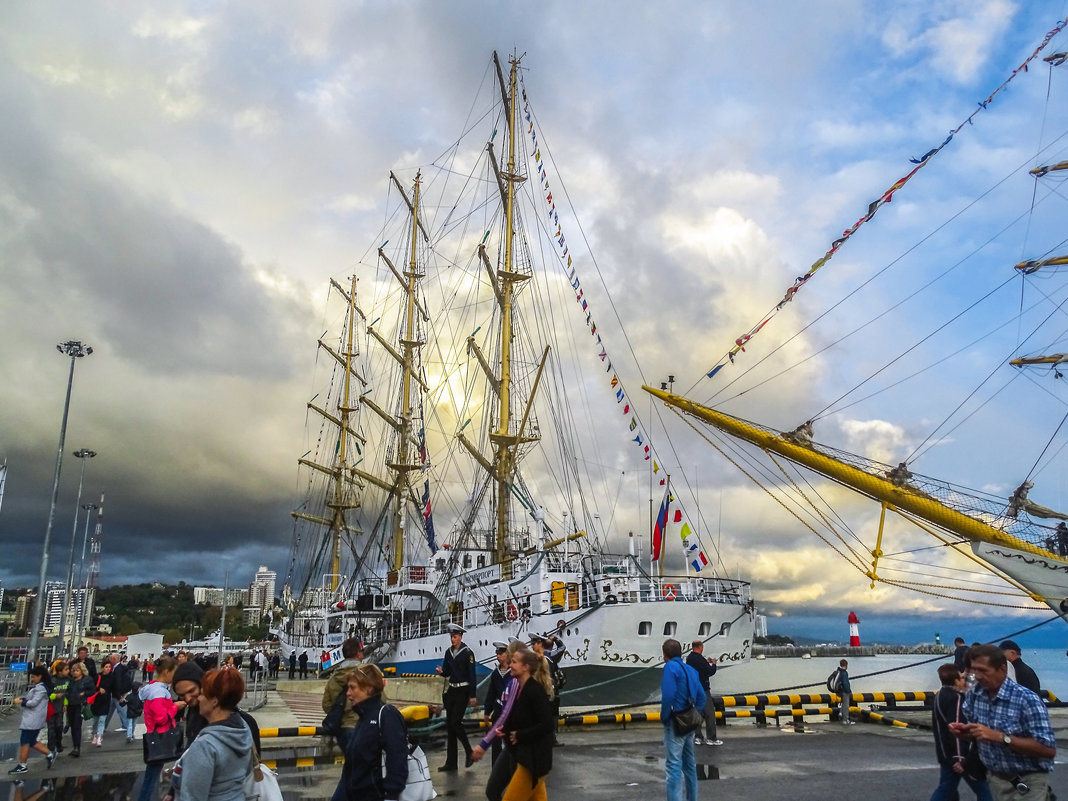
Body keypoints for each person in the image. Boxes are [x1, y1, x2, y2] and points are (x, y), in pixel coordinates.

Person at [952, 644, 1056, 800]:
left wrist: (1001, 737)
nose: (977, 676)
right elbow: (981, 734)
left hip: (1027, 782)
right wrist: (965, 733)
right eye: (974, 670)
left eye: (983, 670)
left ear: (1002, 669)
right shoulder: (975, 695)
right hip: (994, 780)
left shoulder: (1027, 700)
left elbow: (1048, 749)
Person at [171, 668, 254, 801]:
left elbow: (192, 797)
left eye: (202, 694)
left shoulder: (205, 746)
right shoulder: (243, 729)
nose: (199, 698)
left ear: (214, 701)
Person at [330, 664, 408, 801]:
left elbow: (397, 758)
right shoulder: (363, 718)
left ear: (368, 688)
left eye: (352, 688)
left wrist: (391, 796)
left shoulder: (386, 715)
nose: (348, 693)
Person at [930, 664, 992, 801]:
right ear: (956, 680)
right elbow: (957, 726)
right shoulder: (956, 698)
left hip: (944, 752)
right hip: (960, 755)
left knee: (948, 788)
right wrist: (959, 758)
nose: (964, 678)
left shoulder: (940, 695)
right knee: (983, 790)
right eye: (961, 676)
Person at [499, 647, 555, 801]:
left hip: (533, 763)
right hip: (531, 760)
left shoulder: (534, 692)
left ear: (525, 667)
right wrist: (505, 730)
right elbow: (523, 720)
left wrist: (520, 735)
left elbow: (547, 724)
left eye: (515, 662)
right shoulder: (525, 690)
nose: (510, 665)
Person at [661, 638, 704, 801]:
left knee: (673, 767)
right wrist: (695, 714)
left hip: (675, 722)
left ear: (665, 654)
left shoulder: (670, 667)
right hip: (690, 723)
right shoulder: (690, 670)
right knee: (689, 766)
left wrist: (665, 717)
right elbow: (701, 697)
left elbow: (668, 696)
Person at [138, 656, 185, 801]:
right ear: (166, 672)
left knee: (151, 775)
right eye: (173, 672)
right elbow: (160, 717)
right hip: (160, 736)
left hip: (154, 734)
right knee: (151, 776)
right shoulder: (159, 691)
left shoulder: (152, 688)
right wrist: (174, 707)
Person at [436, 623, 477, 771]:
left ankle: (469, 751)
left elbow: (472, 674)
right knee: (450, 727)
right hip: (452, 691)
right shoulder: (448, 652)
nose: (453, 639)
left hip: (463, 690)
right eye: (451, 637)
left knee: (455, 723)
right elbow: (447, 671)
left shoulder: (467, 653)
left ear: (460, 636)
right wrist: (442, 672)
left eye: (455, 636)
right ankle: (451, 763)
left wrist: (472, 695)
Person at [8, 666, 56, 775]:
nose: (32, 679)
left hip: (33, 719)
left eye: (34, 677)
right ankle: (49, 754)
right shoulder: (42, 687)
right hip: (35, 718)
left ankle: (22, 765)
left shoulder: (40, 688)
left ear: (40, 676)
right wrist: (24, 700)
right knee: (31, 740)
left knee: (25, 740)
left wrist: (22, 702)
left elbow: (33, 703)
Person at [321, 638, 365, 752]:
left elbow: (326, 704)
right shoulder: (367, 674)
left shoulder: (334, 677)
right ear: (358, 653)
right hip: (363, 728)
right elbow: (381, 700)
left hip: (342, 730)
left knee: (349, 763)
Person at [685, 640, 722, 746]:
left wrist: (706, 661)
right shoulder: (700, 659)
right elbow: (710, 671)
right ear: (700, 647)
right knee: (710, 714)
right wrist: (714, 664)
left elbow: (698, 666)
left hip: (693, 689)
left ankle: (698, 737)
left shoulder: (690, 658)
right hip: (703, 690)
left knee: (697, 713)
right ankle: (711, 738)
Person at [482, 641, 512, 764]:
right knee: (495, 741)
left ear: (507, 654)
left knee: (510, 740)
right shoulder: (495, 674)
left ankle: (512, 766)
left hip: (511, 711)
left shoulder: (513, 672)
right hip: (499, 709)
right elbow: (491, 694)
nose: (498, 656)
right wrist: (487, 712)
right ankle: (496, 767)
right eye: (497, 653)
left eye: (501, 653)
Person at [67, 661, 94, 757]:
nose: (75, 672)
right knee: (72, 727)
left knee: (76, 726)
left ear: (82, 671)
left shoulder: (87, 680)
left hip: (80, 705)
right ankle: (75, 746)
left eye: (77, 670)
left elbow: (92, 690)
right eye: (73, 671)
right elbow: (68, 691)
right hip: (71, 704)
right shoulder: (71, 681)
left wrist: (85, 693)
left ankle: (77, 748)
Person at [47, 660, 71, 755]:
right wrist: (54, 696)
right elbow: (46, 694)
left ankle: (58, 743)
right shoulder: (52, 680)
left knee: (59, 726)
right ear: (60, 671)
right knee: (51, 728)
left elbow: (66, 694)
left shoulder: (67, 680)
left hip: (60, 707)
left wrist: (65, 704)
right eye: (66, 669)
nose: (68, 671)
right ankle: (51, 748)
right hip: (51, 707)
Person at [90, 661, 115, 746]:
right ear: (102, 668)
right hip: (97, 701)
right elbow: (91, 686)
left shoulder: (112, 677)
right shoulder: (97, 676)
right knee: (96, 720)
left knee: (102, 720)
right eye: (106, 667)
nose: (108, 669)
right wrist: (98, 689)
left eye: (109, 667)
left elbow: (114, 688)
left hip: (106, 700)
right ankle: (94, 734)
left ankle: (99, 736)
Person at [837, 659, 854, 725]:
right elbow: (845, 683)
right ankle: (845, 720)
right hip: (845, 691)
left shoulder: (839, 671)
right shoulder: (844, 673)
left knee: (844, 703)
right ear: (846, 665)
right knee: (846, 706)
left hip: (840, 691)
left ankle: (841, 712)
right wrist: (848, 691)